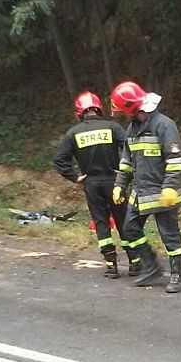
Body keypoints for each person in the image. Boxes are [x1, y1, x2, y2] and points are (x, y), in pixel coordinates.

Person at [111, 81, 181, 293]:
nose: (123, 116)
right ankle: (151, 266)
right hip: (140, 192)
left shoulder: (164, 125)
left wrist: (170, 187)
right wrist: (120, 185)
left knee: (170, 236)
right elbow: (126, 160)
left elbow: (175, 159)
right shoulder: (132, 129)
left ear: (130, 107)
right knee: (130, 229)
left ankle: (177, 277)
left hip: (163, 192)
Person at [53, 91, 138, 279]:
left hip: (91, 183)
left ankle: (111, 266)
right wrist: (126, 172)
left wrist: (74, 177)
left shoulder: (73, 133)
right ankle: (134, 263)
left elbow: (59, 159)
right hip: (114, 181)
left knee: (101, 222)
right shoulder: (112, 127)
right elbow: (131, 146)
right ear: (99, 108)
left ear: (79, 112)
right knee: (124, 220)